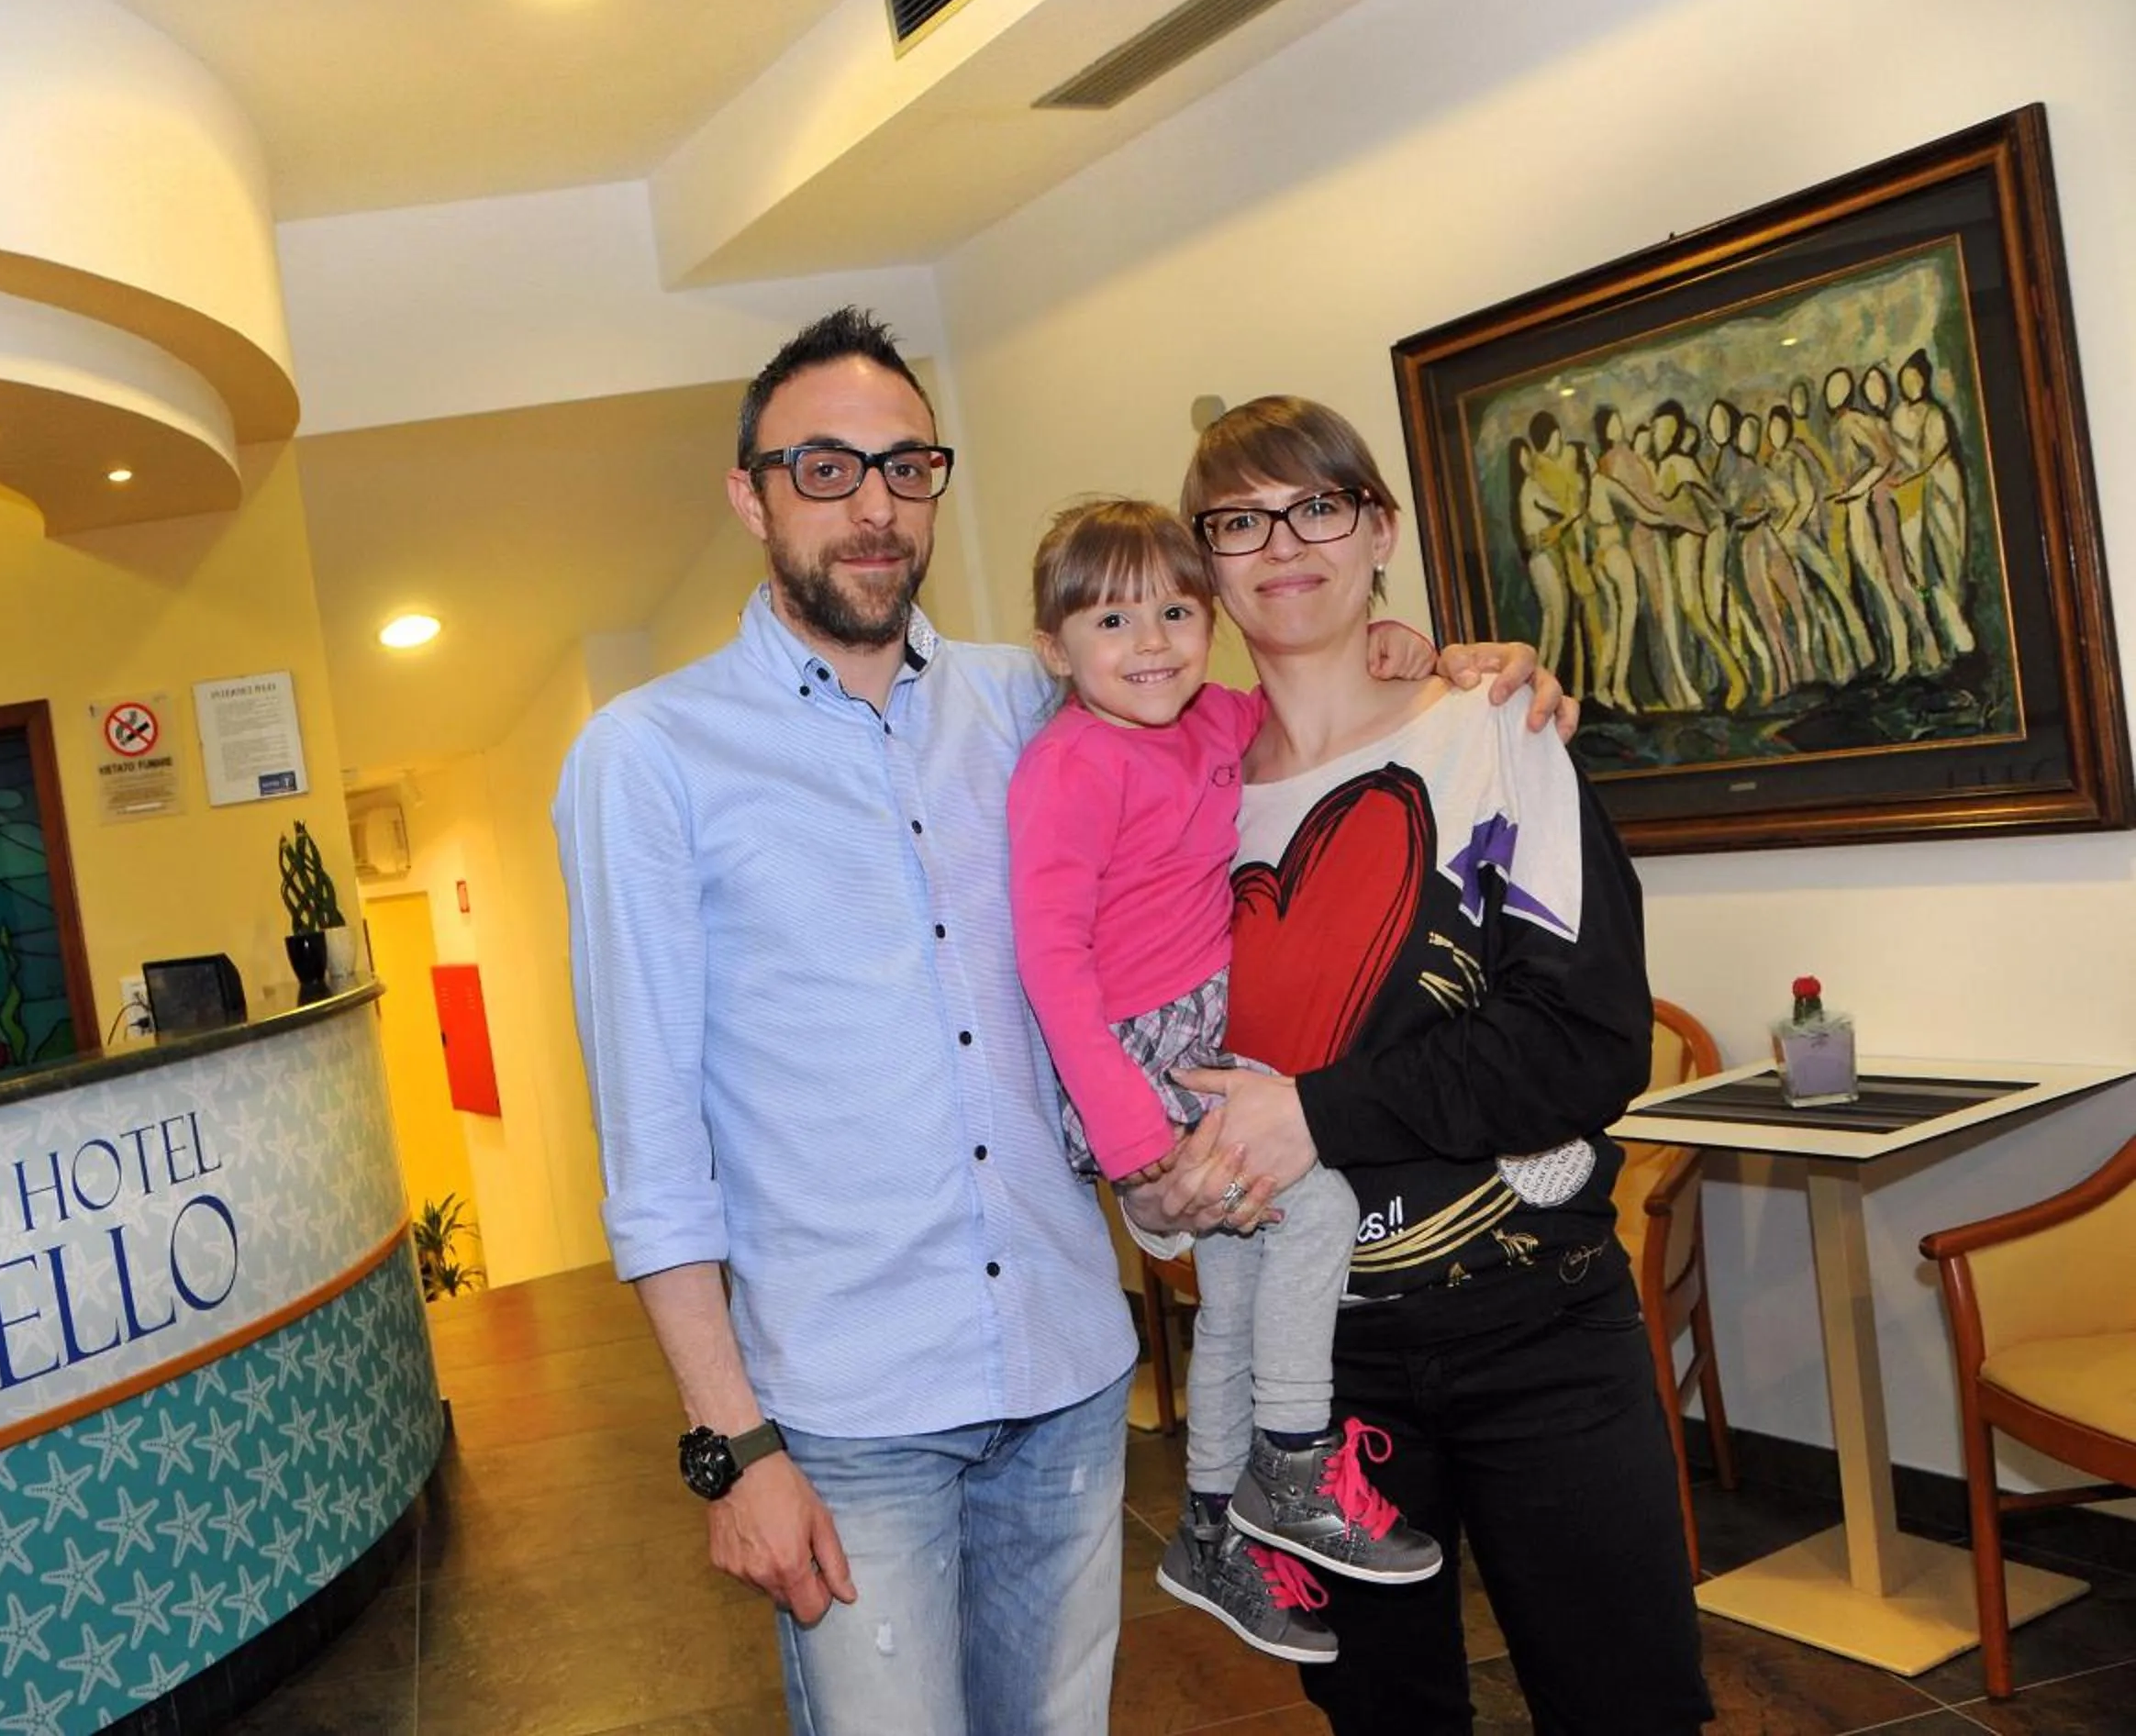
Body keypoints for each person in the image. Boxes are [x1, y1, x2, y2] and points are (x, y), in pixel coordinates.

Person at [552, 310, 1562, 1736]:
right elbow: (652, 1139)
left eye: (908, 466)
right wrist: (734, 1444)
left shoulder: (1029, 696)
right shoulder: (649, 756)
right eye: (826, 468)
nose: (874, 505)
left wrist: (1415, 655)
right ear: (751, 495)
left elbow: (1233, 711)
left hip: (1068, 1364)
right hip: (851, 1408)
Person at [1135, 395, 1713, 1734]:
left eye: (1317, 507)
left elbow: (1585, 1042)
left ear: (1380, 529)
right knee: (1386, 1721)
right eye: (1239, 522)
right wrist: (1152, 1184)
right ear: (1205, 562)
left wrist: (1316, 1115)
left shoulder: (1496, 729)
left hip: (1537, 1327)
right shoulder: (1175, 800)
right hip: (1316, 1384)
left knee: (1628, 1707)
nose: (1285, 544)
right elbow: (1135, 1046)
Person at [1005, 497, 1441, 1667]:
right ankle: (1292, 1462)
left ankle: (1209, 1524)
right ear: (1055, 648)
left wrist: (1393, 643)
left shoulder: (1214, 717)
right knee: (1322, 1208)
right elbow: (1048, 957)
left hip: (1208, 1034)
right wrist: (1128, 1133)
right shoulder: (1070, 765)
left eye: (1175, 612)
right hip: (1138, 1056)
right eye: (1111, 621)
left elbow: (1314, 697)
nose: (1150, 643)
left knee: (1242, 1275)